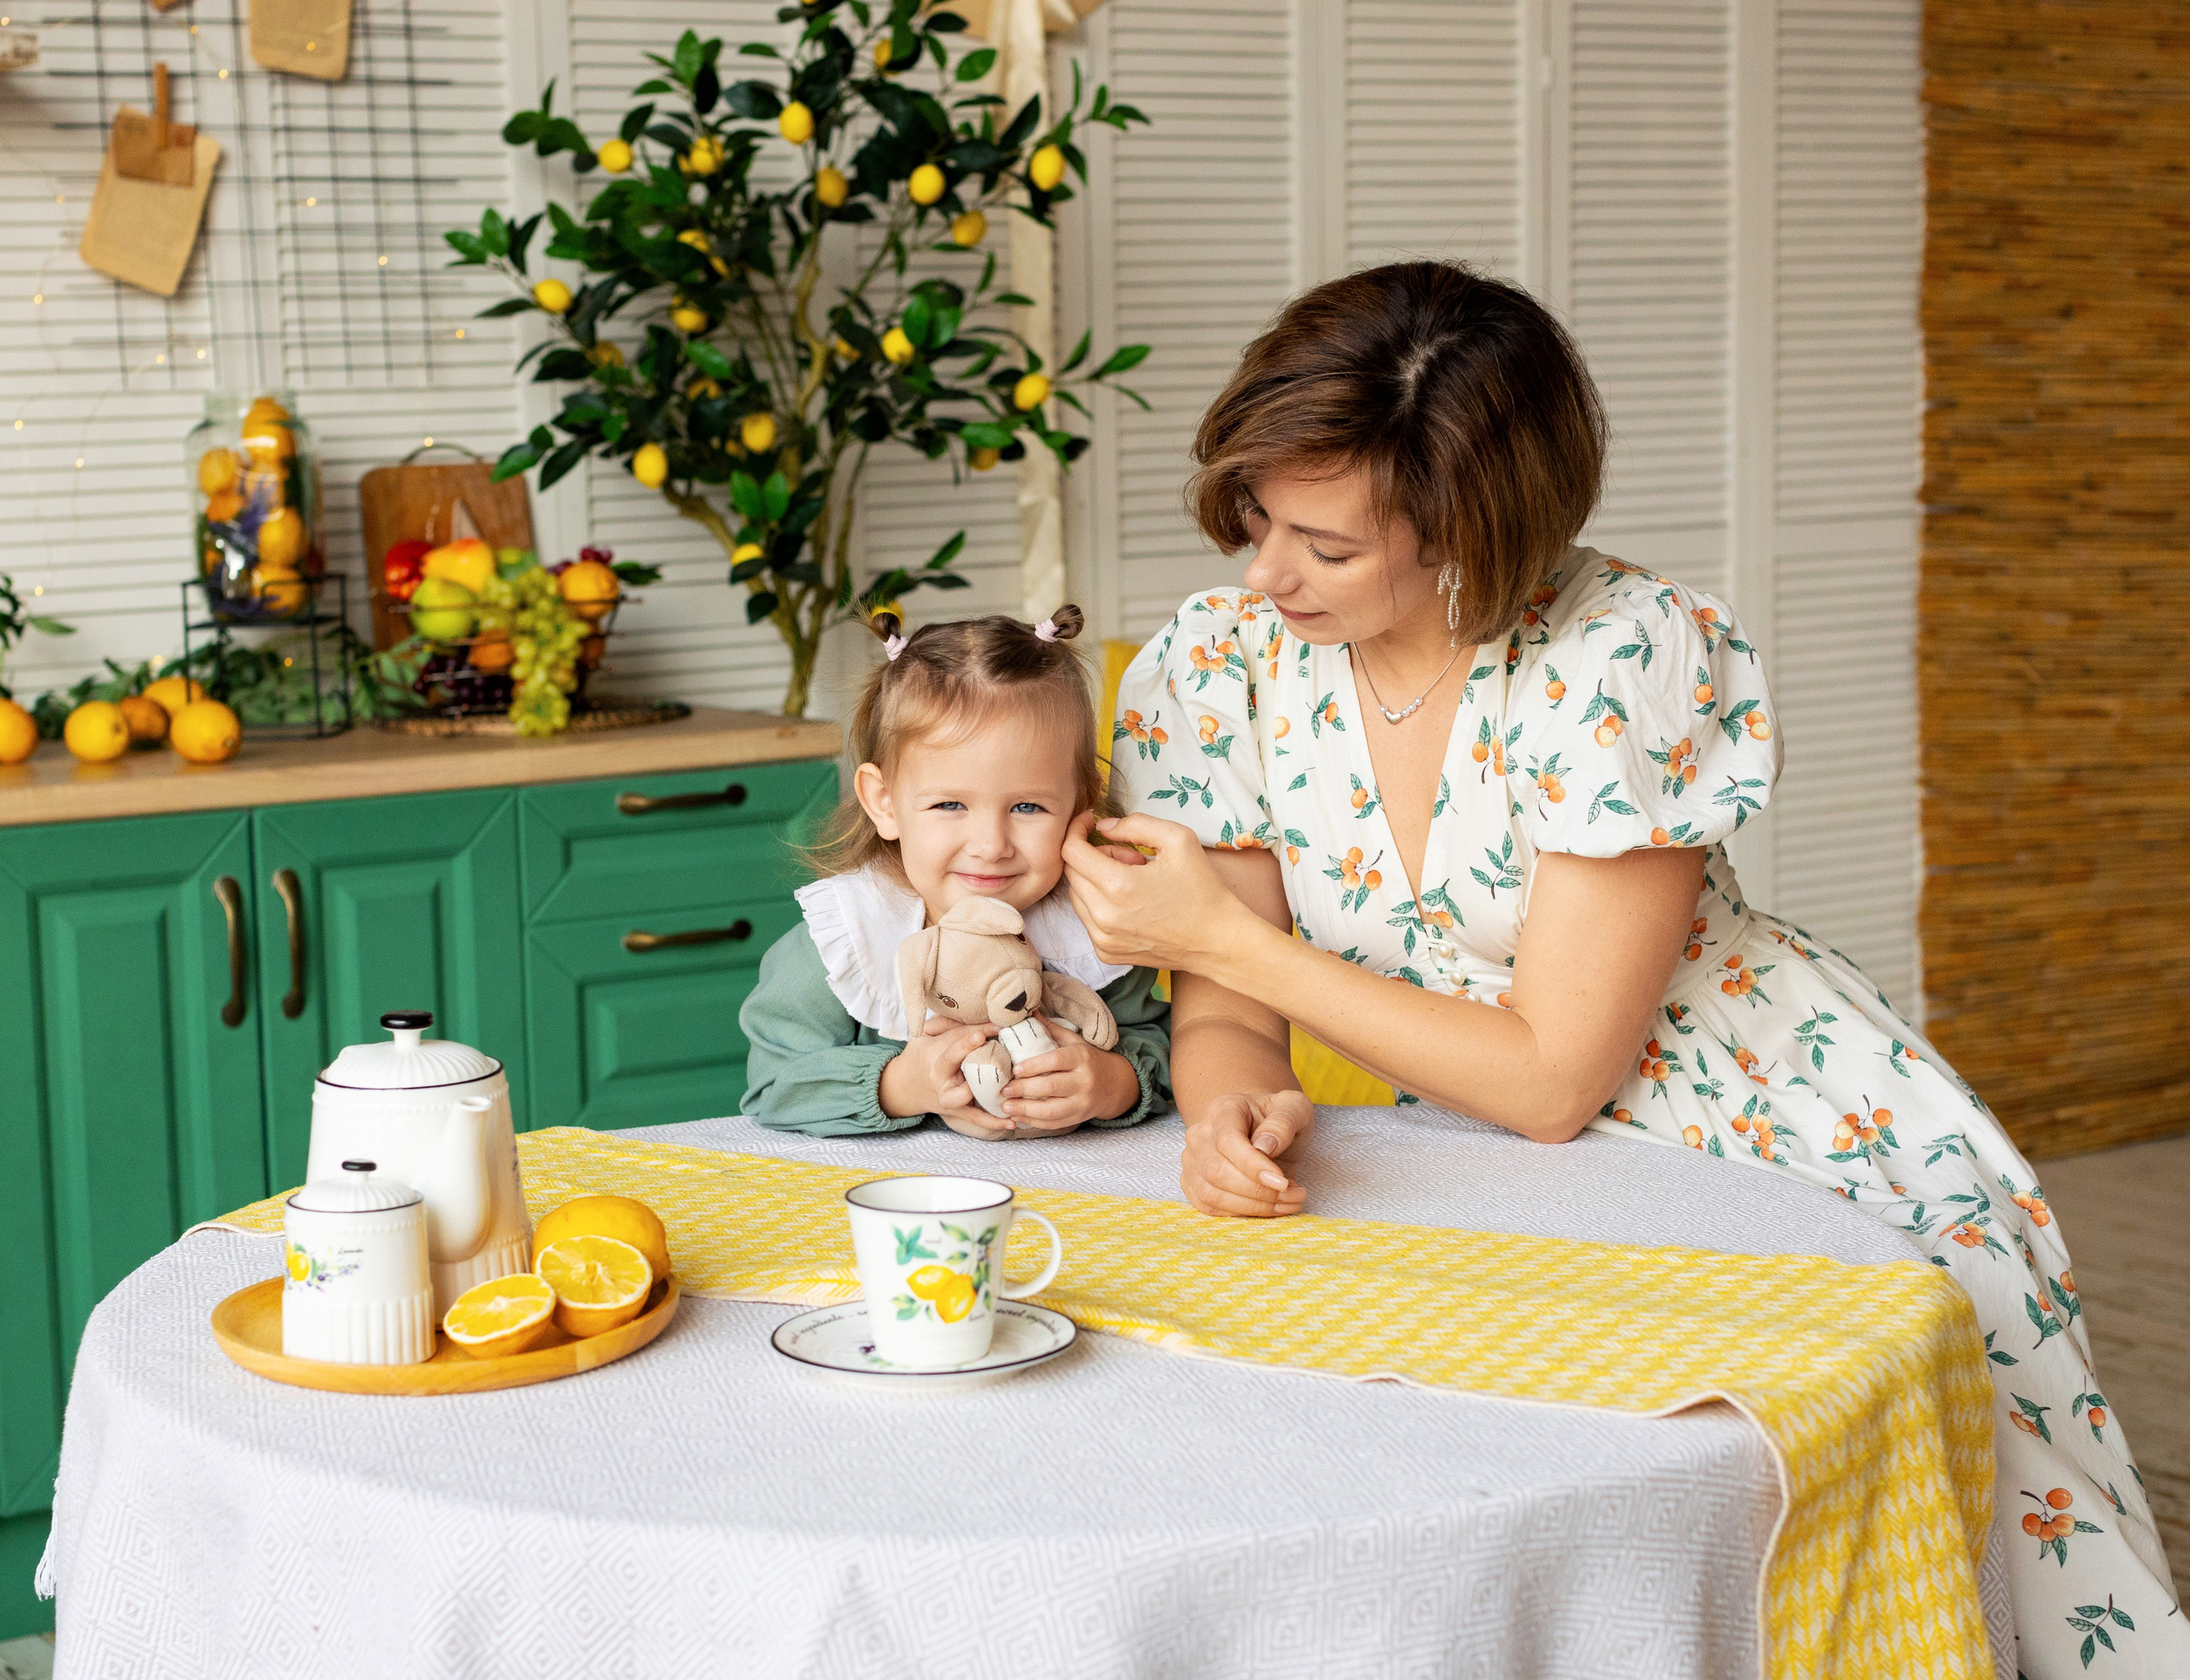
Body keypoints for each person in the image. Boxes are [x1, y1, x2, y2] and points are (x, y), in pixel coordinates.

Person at [1062, 260, 2183, 1677]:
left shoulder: (1618, 655)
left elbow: (1547, 1076)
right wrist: (1233, 1099)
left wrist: (1223, 940)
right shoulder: (1219, 668)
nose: (1264, 571)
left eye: (1328, 546)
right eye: (1254, 516)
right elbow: (1226, 997)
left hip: (1761, 1120)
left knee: (1955, 1550)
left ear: (1470, 527)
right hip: (1466, 1148)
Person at [742, 605, 1171, 1139]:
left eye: (1027, 808)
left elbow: (1168, 1046)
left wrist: (1112, 1081)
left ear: (1080, 804)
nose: (990, 847)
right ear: (885, 803)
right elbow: (772, 1087)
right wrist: (900, 1085)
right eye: (949, 805)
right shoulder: (845, 937)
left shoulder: (1096, 928)